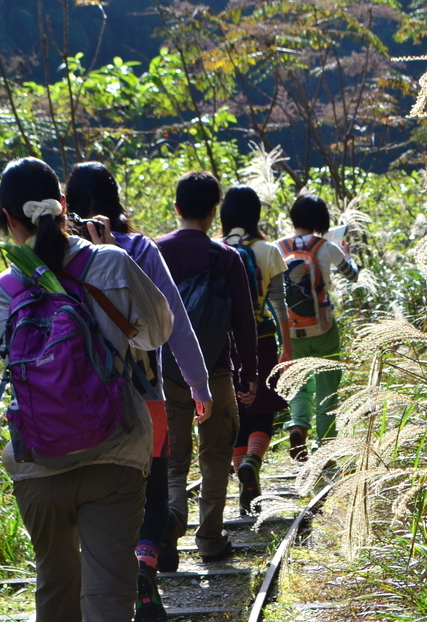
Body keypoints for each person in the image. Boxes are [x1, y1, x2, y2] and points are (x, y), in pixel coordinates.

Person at [0, 157, 173, 622]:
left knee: (55, 585)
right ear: (64, 206)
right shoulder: (108, 261)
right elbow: (157, 333)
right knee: (108, 591)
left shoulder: (3, 290)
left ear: (7, 219)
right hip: (116, 449)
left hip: (38, 462)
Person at [64, 161, 212, 621]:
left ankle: (105, 583)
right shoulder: (139, 249)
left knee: (97, 498)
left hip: (77, 402)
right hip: (145, 394)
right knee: (151, 493)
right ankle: (145, 567)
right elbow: (176, 323)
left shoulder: (53, 256)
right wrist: (198, 382)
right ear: (117, 200)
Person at [155, 171, 259, 563]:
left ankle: (171, 521)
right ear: (215, 212)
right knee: (216, 457)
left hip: (166, 373)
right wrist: (247, 372)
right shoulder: (226, 257)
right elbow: (244, 322)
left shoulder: (154, 251)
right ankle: (211, 540)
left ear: (177, 208)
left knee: (173, 459)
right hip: (214, 372)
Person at [219, 186, 292, 515]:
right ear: (255, 215)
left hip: (224, 343)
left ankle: (241, 476)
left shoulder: (217, 248)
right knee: (262, 410)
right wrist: (287, 347)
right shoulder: (268, 249)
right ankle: (252, 461)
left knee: (236, 416)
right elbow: (279, 304)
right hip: (261, 338)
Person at [277, 193, 358, 461]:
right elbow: (353, 276)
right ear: (321, 220)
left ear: (293, 218)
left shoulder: (278, 247)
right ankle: (325, 448)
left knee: (299, 380)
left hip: (290, 328)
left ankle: (298, 425)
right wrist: (347, 255)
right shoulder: (326, 246)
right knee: (327, 384)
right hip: (323, 327)